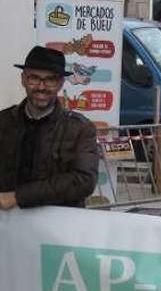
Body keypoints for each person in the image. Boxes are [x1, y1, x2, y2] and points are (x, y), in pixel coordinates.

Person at [0, 46, 99, 210]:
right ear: (23, 79)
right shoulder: (3, 121)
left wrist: (18, 197)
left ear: (60, 83)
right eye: (34, 78)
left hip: (58, 229)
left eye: (50, 80)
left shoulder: (80, 128)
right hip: (8, 228)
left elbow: (84, 180)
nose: (41, 87)